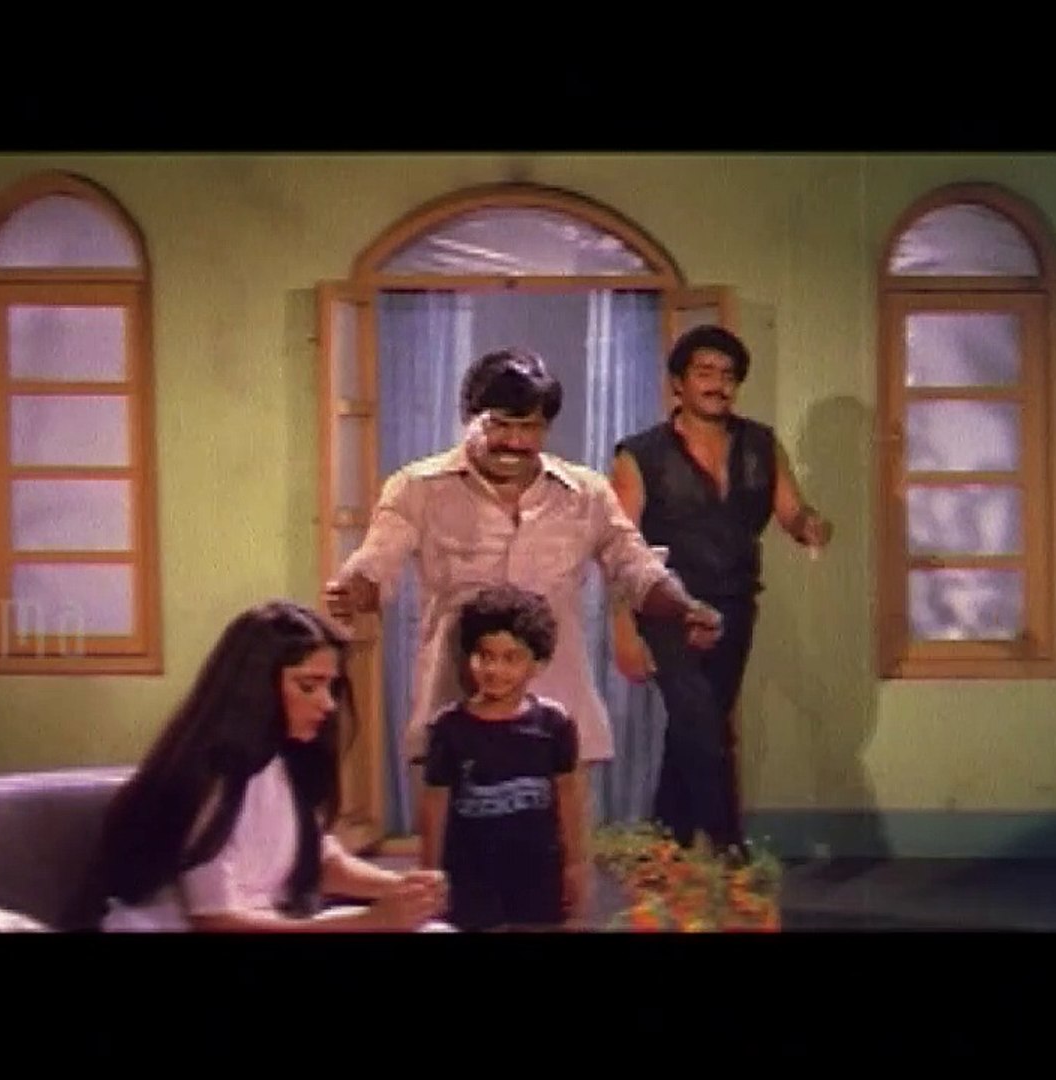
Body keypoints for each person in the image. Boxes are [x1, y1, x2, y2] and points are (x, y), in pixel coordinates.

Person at [321, 347, 725, 847]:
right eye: (500, 425)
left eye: (530, 427)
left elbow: (635, 566)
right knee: (456, 864)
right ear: (469, 417)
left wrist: (683, 608)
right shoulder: (416, 489)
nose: (514, 442)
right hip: (456, 711)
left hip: (559, 715)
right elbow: (376, 560)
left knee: (560, 861)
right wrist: (353, 590)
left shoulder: (586, 494)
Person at [93, 599, 453, 931]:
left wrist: (403, 889)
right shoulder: (208, 780)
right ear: (256, 688)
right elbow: (217, 921)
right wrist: (369, 922)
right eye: (308, 687)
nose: (328, 704)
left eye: (330, 687)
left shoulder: (288, 762)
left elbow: (318, 861)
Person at [609, 324, 832, 854]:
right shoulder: (640, 455)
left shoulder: (761, 444)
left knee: (693, 730)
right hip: (666, 606)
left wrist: (812, 526)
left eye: (728, 375)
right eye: (705, 372)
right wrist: (623, 632)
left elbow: (792, 511)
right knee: (704, 728)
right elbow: (617, 548)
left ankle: (666, 849)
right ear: (678, 384)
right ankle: (731, 853)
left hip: (734, 605)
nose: (718, 384)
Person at [420, 584, 584, 931]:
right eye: (485, 656)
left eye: (511, 658)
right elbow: (435, 805)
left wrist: (574, 864)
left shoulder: (555, 724)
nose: (494, 669)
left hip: (537, 870)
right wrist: (430, 875)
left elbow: (568, 796)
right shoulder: (448, 728)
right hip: (471, 873)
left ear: (537, 663)